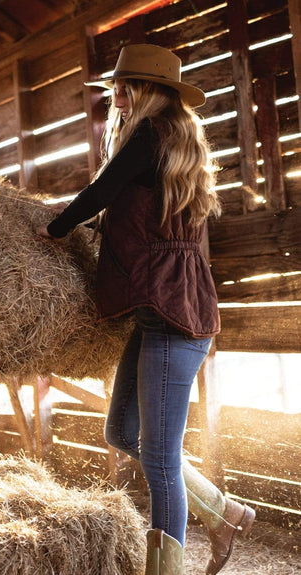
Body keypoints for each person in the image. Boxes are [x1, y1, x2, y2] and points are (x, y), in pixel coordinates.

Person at [35, 44, 255, 575]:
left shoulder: (150, 138)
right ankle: (221, 513)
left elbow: (98, 193)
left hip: (173, 321)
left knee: (158, 461)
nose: (116, 98)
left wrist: (50, 229)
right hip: (163, 313)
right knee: (120, 432)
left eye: (122, 88)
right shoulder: (171, 143)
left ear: (142, 89)